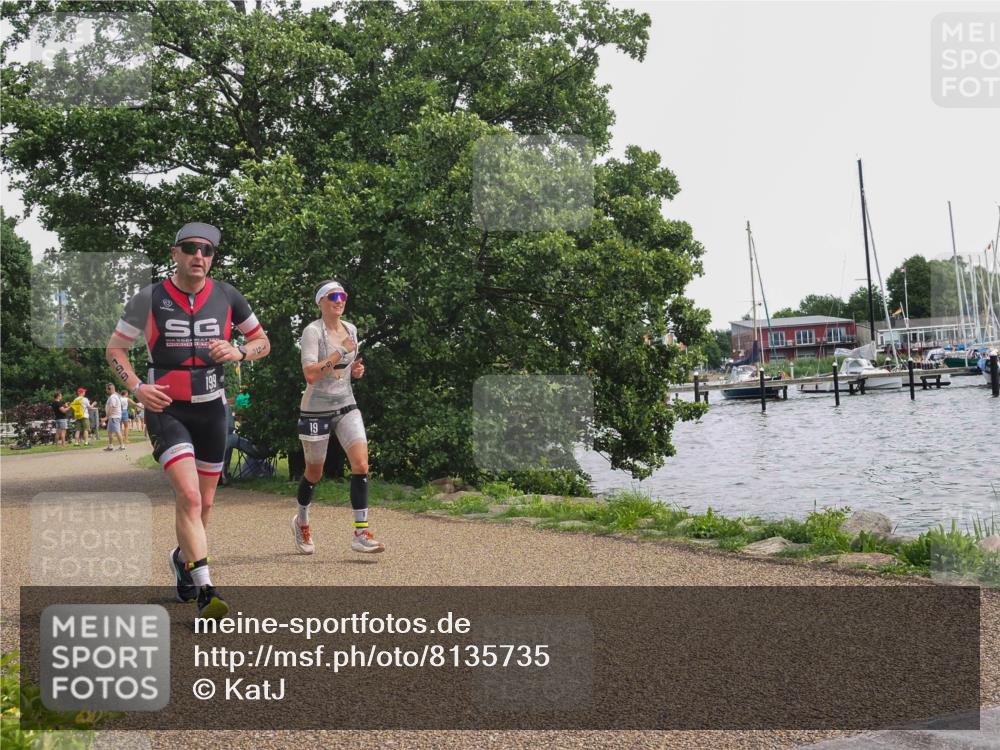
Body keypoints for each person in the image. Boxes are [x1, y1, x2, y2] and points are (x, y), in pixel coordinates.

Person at [105, 222, 270, 619]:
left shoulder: (229, 296)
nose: (199, 256)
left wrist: (240, 353)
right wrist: (136, 389)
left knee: (206, 502)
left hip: (212, 409)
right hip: (167, 409)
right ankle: (206, 591)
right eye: (191, 248)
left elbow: (263, 342)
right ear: (174, 253)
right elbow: (115, 350)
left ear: (212, 258)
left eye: (207, 251)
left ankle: (184, 559)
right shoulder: (149, 298)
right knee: (190, 496)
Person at [293, 280, 383, 556]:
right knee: (314, 473)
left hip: (346, 404)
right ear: (320, 301)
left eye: (343, 295)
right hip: (315, 410)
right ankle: (302, 521)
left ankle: (360, 533)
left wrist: (354, 370)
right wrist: (339, 352)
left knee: (361, 464)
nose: (339, 300)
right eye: (333, 296)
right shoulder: (312, 332)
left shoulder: (351, 329)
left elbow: (344, 365)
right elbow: (310, 374)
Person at [103, 383, 126, 451]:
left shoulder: (113, 397)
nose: (106, 390)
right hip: (113, 417)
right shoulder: (115, 396)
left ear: (109, 389)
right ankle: (110, 446)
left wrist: (106, 417)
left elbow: (111, 407)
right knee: (110, 432)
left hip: (114, 417)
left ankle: (122, 446)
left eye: (107, 389)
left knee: (117, 431)